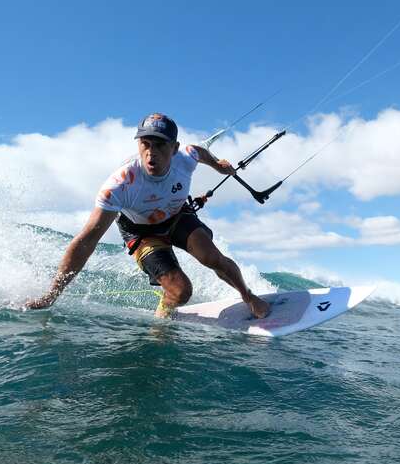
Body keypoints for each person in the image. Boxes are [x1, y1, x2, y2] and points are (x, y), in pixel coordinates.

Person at [24, 113, 271, 319]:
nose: (151, 153)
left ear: (174, 149)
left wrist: (218, 165)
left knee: (213, 258)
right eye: (146, 144)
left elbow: (201, 152)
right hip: (141, 232)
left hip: (177, 217)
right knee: (181, 291)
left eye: (160, 145)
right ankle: (162, 316)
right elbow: (87, 240)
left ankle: (248, 297)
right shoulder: (121, 185)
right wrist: (52, 294)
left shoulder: (186, 157)